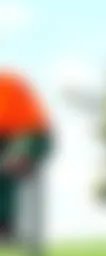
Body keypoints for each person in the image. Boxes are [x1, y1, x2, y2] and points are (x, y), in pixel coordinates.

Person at [0, 70, 51, 243]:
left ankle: (5, 226)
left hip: (32, 134)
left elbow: (34, 128)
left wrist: (23, 152)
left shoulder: (10, 85)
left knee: (8, 166)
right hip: (7, 138)